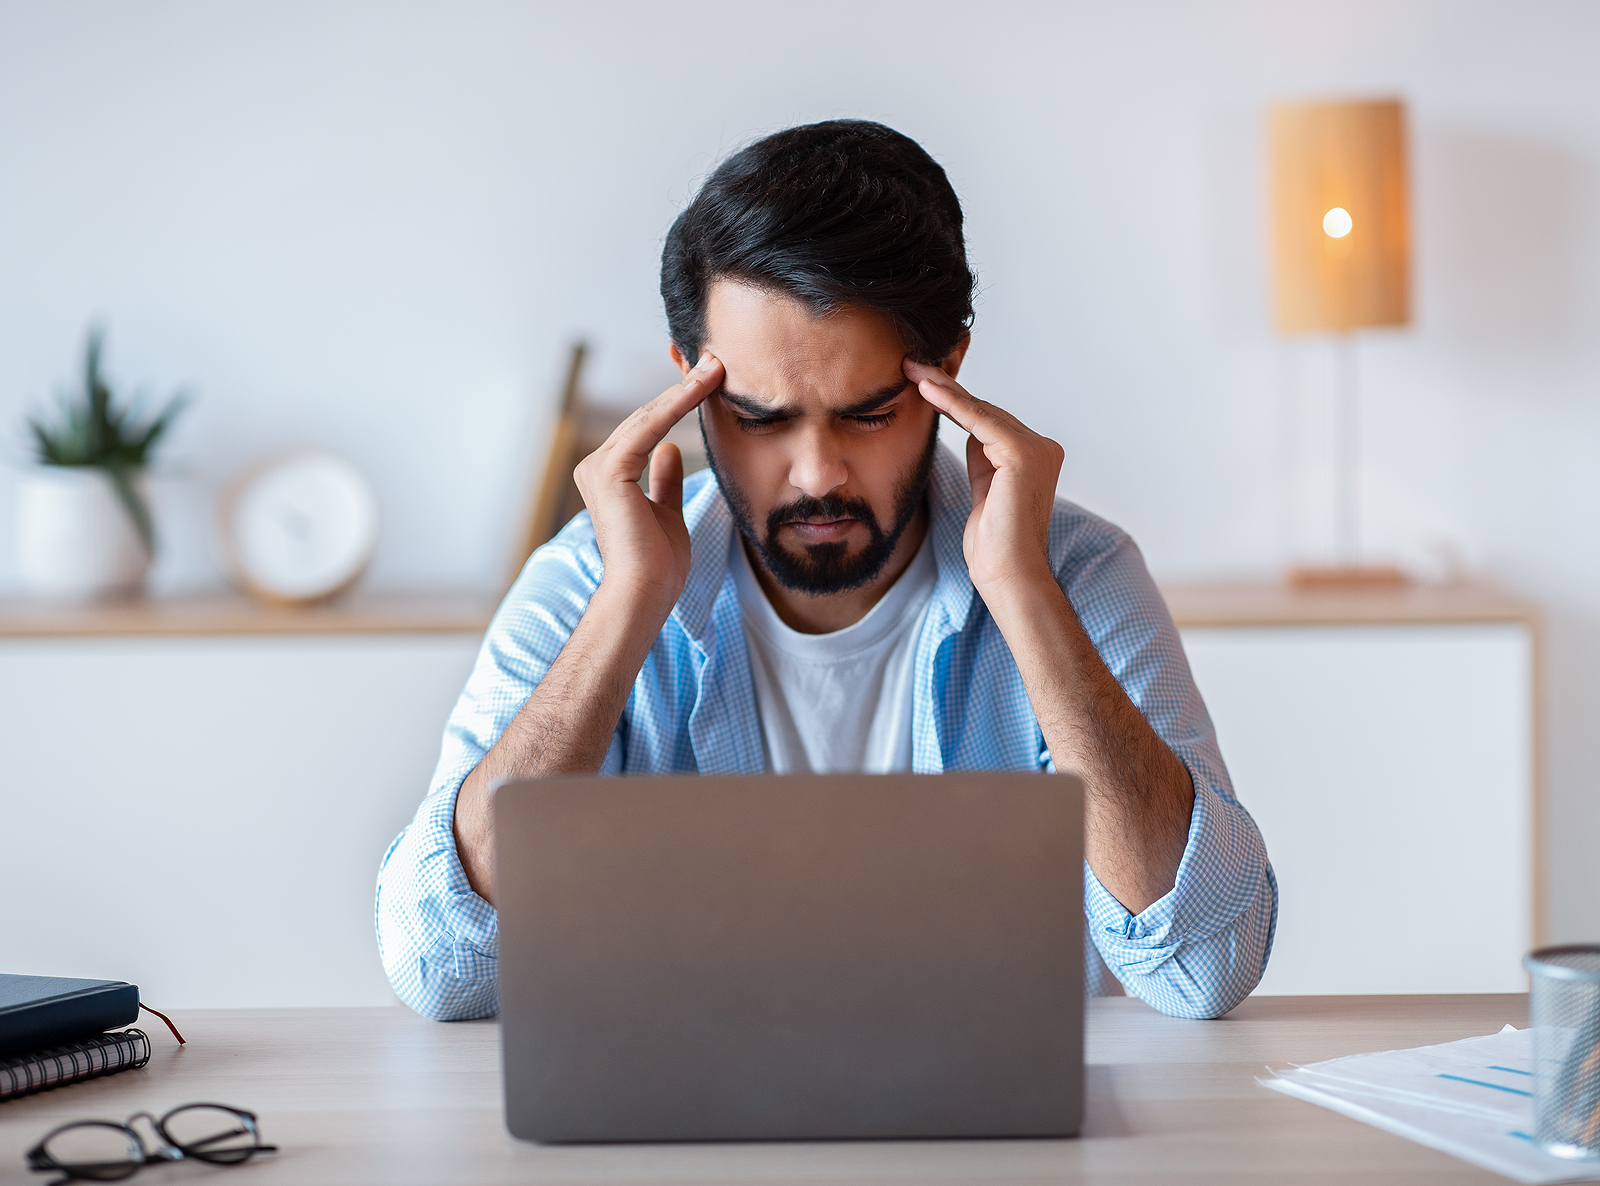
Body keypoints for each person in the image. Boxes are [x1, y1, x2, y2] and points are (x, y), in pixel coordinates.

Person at [377, 120, 1276, 1023]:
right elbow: (442, 971)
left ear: (947, 375)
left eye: (869, 413)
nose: (816, 475)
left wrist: (1023, 594)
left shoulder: (1072, 573)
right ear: (685, 383)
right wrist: (629, 606)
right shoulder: (590, 582)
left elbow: (1203, 966)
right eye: (761, 419)